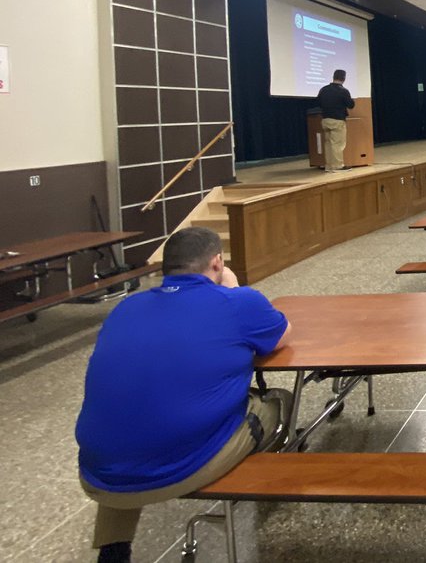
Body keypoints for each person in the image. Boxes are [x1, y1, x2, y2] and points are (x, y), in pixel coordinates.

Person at [76, 228, 292, 563]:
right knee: (278, 402)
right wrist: (234, 291)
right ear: (217, 263)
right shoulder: (236, 302)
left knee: (132, 423)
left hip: (99, 474)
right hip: (180, 470)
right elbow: (282, 335)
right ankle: (266, 497)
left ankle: (113, 547)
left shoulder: (126, 308)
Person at [317, 69, 355, 172]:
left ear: (333, 77)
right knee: (338, 144)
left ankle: (329, 166)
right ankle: (338, 166)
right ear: (344, 78)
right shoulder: (343, 91)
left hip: (325, 119)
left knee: (328, 143)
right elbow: (351, 105)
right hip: (337, 120)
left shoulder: (323, 89)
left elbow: (318, 103)